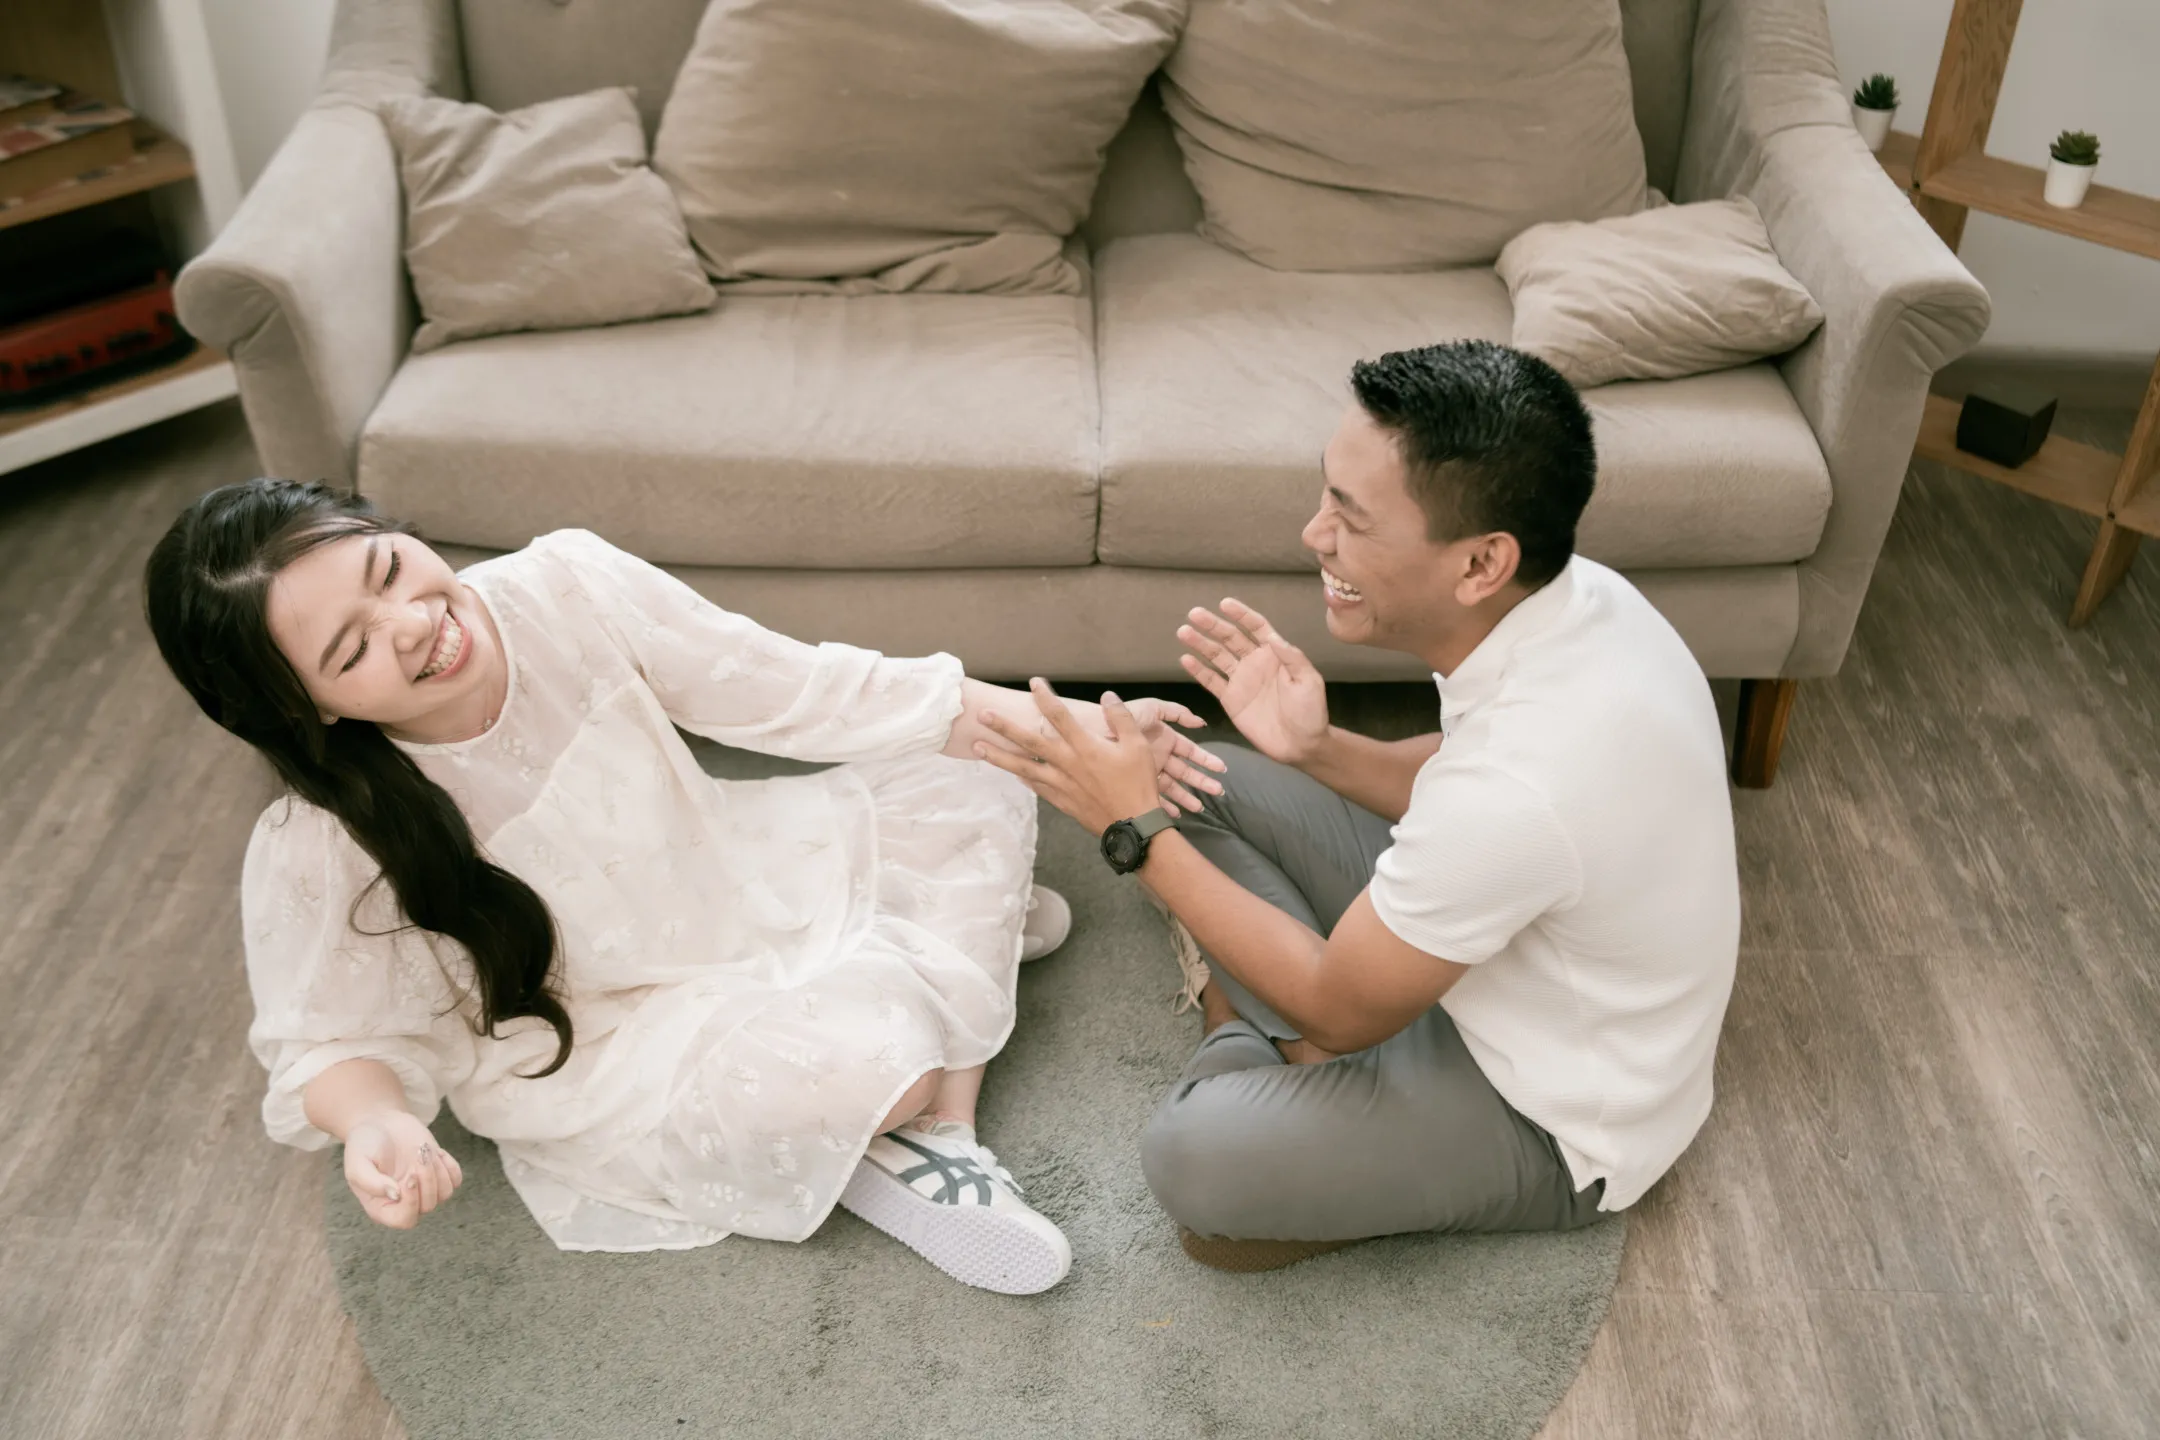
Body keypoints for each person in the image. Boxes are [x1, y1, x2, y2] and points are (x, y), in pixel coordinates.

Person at [143, 479, 1224, 1295]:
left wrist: (1072, 730)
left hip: (746, 882)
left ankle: (926, 1112)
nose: (414, 624)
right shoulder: (321, 838)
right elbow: (324, 1041)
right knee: (872, 1058)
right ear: (310, 710)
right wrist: (376, 1123)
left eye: (388, 571)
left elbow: (807, 692)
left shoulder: (567, 583)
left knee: (972, 772)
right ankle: (923, 1082)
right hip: (611, 1040)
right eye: (353, 650)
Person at [974, 340, 1740, 1270]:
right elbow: (1460, 770)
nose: (1315, 533)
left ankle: (1256, 1038)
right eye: (1326, 494)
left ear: (1480, 563)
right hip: (1498, 954)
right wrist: (1318, 750)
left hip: (1552, 1113)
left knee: (1195, 1156)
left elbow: (1341, 1006)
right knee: (1200, 779)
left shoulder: (1520, 785)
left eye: (1351, 516)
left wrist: (1129, 832)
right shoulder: (1580, 602)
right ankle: (1289, 1045)